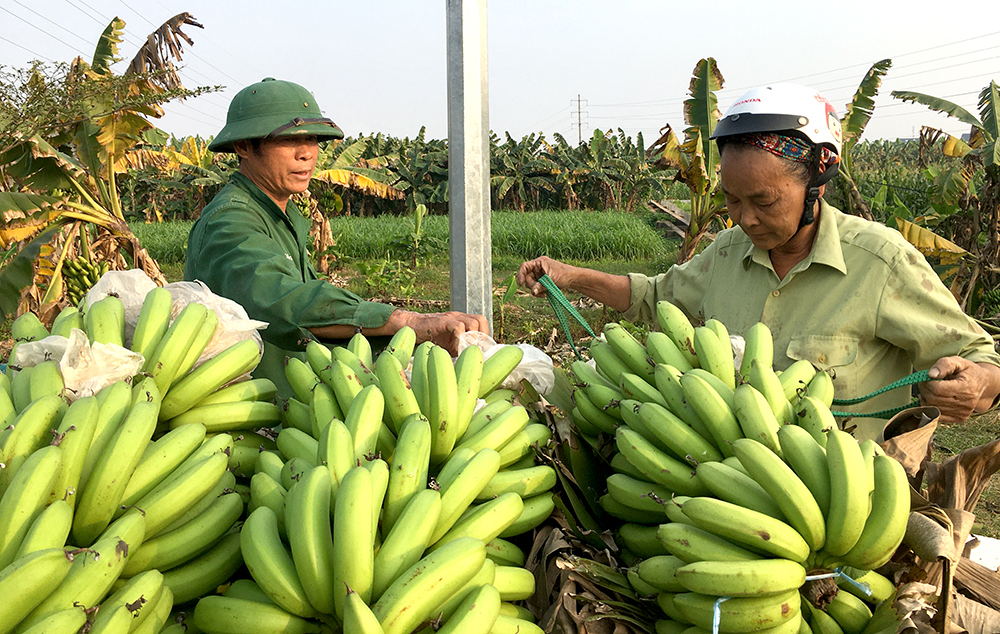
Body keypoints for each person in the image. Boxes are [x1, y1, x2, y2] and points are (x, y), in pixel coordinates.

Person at [518, 83, 1000, 441]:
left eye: (764, 201)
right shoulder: (726, 254)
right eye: (731, 200)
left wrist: (975, 382)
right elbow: (652, 296)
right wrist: (570, 276)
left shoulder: (880, 261)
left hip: (847, 498)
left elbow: (981, 360)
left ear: (816, 181)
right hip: (733, 483)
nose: (745, 219)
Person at [185, 78, 488, 397]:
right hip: (247, 414)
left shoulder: (279, 215)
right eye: (287, 140)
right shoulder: (232, 219)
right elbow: (284, 300)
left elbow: (317, 321)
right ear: (244, 146)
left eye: (313, 138)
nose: (306, 154)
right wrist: (405, 321)